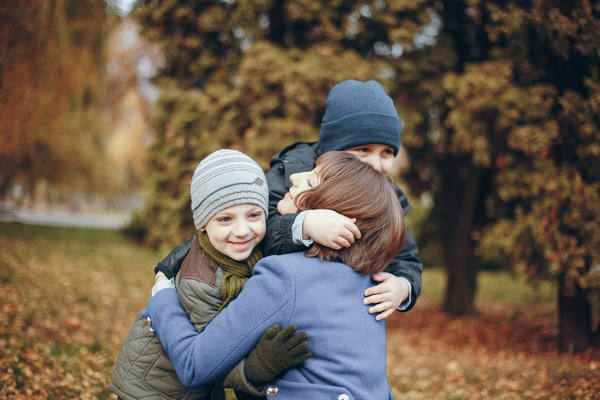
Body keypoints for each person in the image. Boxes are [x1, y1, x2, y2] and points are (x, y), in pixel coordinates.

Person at [154, 79, 423, 320]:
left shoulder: (388, 196)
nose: (376, 163)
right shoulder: (293, 173)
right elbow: (250, 227)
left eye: (387, 153)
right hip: (270, 299)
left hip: (337, 312)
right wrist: (303, 224)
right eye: (363, 149)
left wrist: (404, 285)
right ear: (334, 147)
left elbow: (405, 254)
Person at [146, 151, 408, 398]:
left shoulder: (286, 277)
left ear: (331, 203)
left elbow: (194, 365)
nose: (294, 177)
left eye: (312, 178)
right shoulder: (369, 278)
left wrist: (162, 294)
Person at [110, 150, 310, 400]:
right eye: (225, 219)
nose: (242, 230)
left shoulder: (241, 252)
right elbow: (209, 359)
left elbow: (275, 236)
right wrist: (256, 367)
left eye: (254, 215)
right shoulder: (201, 282)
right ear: (203, 224)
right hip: (155, 390)